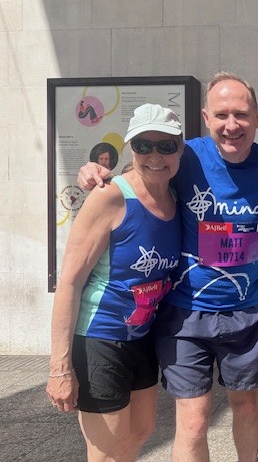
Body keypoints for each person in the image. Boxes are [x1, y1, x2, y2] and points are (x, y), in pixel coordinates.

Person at [77, 72, 258, 462]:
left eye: (241, 114)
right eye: (222, 115)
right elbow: (144, 170)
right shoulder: (186, 156)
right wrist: (94, 171)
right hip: (185, 313)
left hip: (246, 311)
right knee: (193, 422)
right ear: (206, 118)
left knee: (246, 405)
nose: (231, 125)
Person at [47, 103, 184, 461]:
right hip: (100, 338)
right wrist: (60, 367)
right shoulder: (109, 196)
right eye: (143, 145)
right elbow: (69, 282)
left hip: (142, 337)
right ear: (130, 147)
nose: (155, 156)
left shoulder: (175, 197)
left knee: (140, 433)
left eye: (166, 145)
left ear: (180, 148)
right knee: (107, 452)